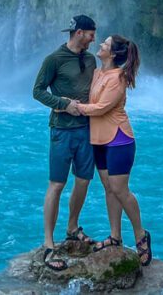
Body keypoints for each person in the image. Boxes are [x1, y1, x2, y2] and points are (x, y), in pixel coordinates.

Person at [63, 34, 152, 266]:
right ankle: (115, 236)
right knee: (109, 189)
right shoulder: (97, 72)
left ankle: (141, 235)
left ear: (112, 54)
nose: (101, 44)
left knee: (120, 190)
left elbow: (102, 108)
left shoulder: (119, 77)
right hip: (99, 140)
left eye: (105, 43)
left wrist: (74, 107)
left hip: (118, 139)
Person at [31, 14, 98, 271]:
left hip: (87, 130)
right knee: (57, 184)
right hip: (61, 130)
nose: (94, 38)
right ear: (79, 32)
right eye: (91, 33)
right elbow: (37, 91)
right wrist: (64, 104)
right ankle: (49, 243)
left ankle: (72, 227)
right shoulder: (54, 59)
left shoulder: (91, 60)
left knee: (83, 180)